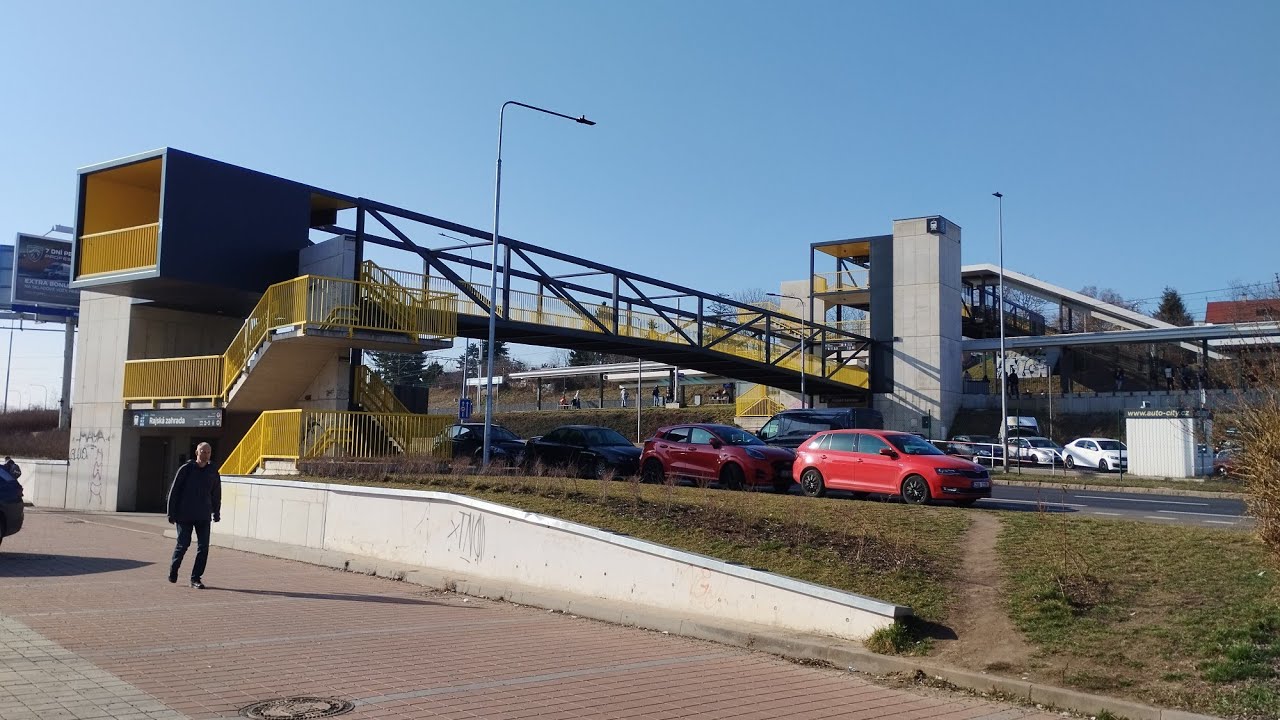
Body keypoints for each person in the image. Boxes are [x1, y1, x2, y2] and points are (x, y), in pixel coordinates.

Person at [167, 442, 221, 589]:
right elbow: (174, 491)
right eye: (203, 451)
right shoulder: (186, 469)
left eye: (208, 452)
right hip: (184, 515)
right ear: (197, 452)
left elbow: (216, 493)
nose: (205, 455)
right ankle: (174, 568)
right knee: (183, 544)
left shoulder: (213, 471)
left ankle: (195, 578)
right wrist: (170, 513)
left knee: (203, 547)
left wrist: (216, 511)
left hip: (203, 515)